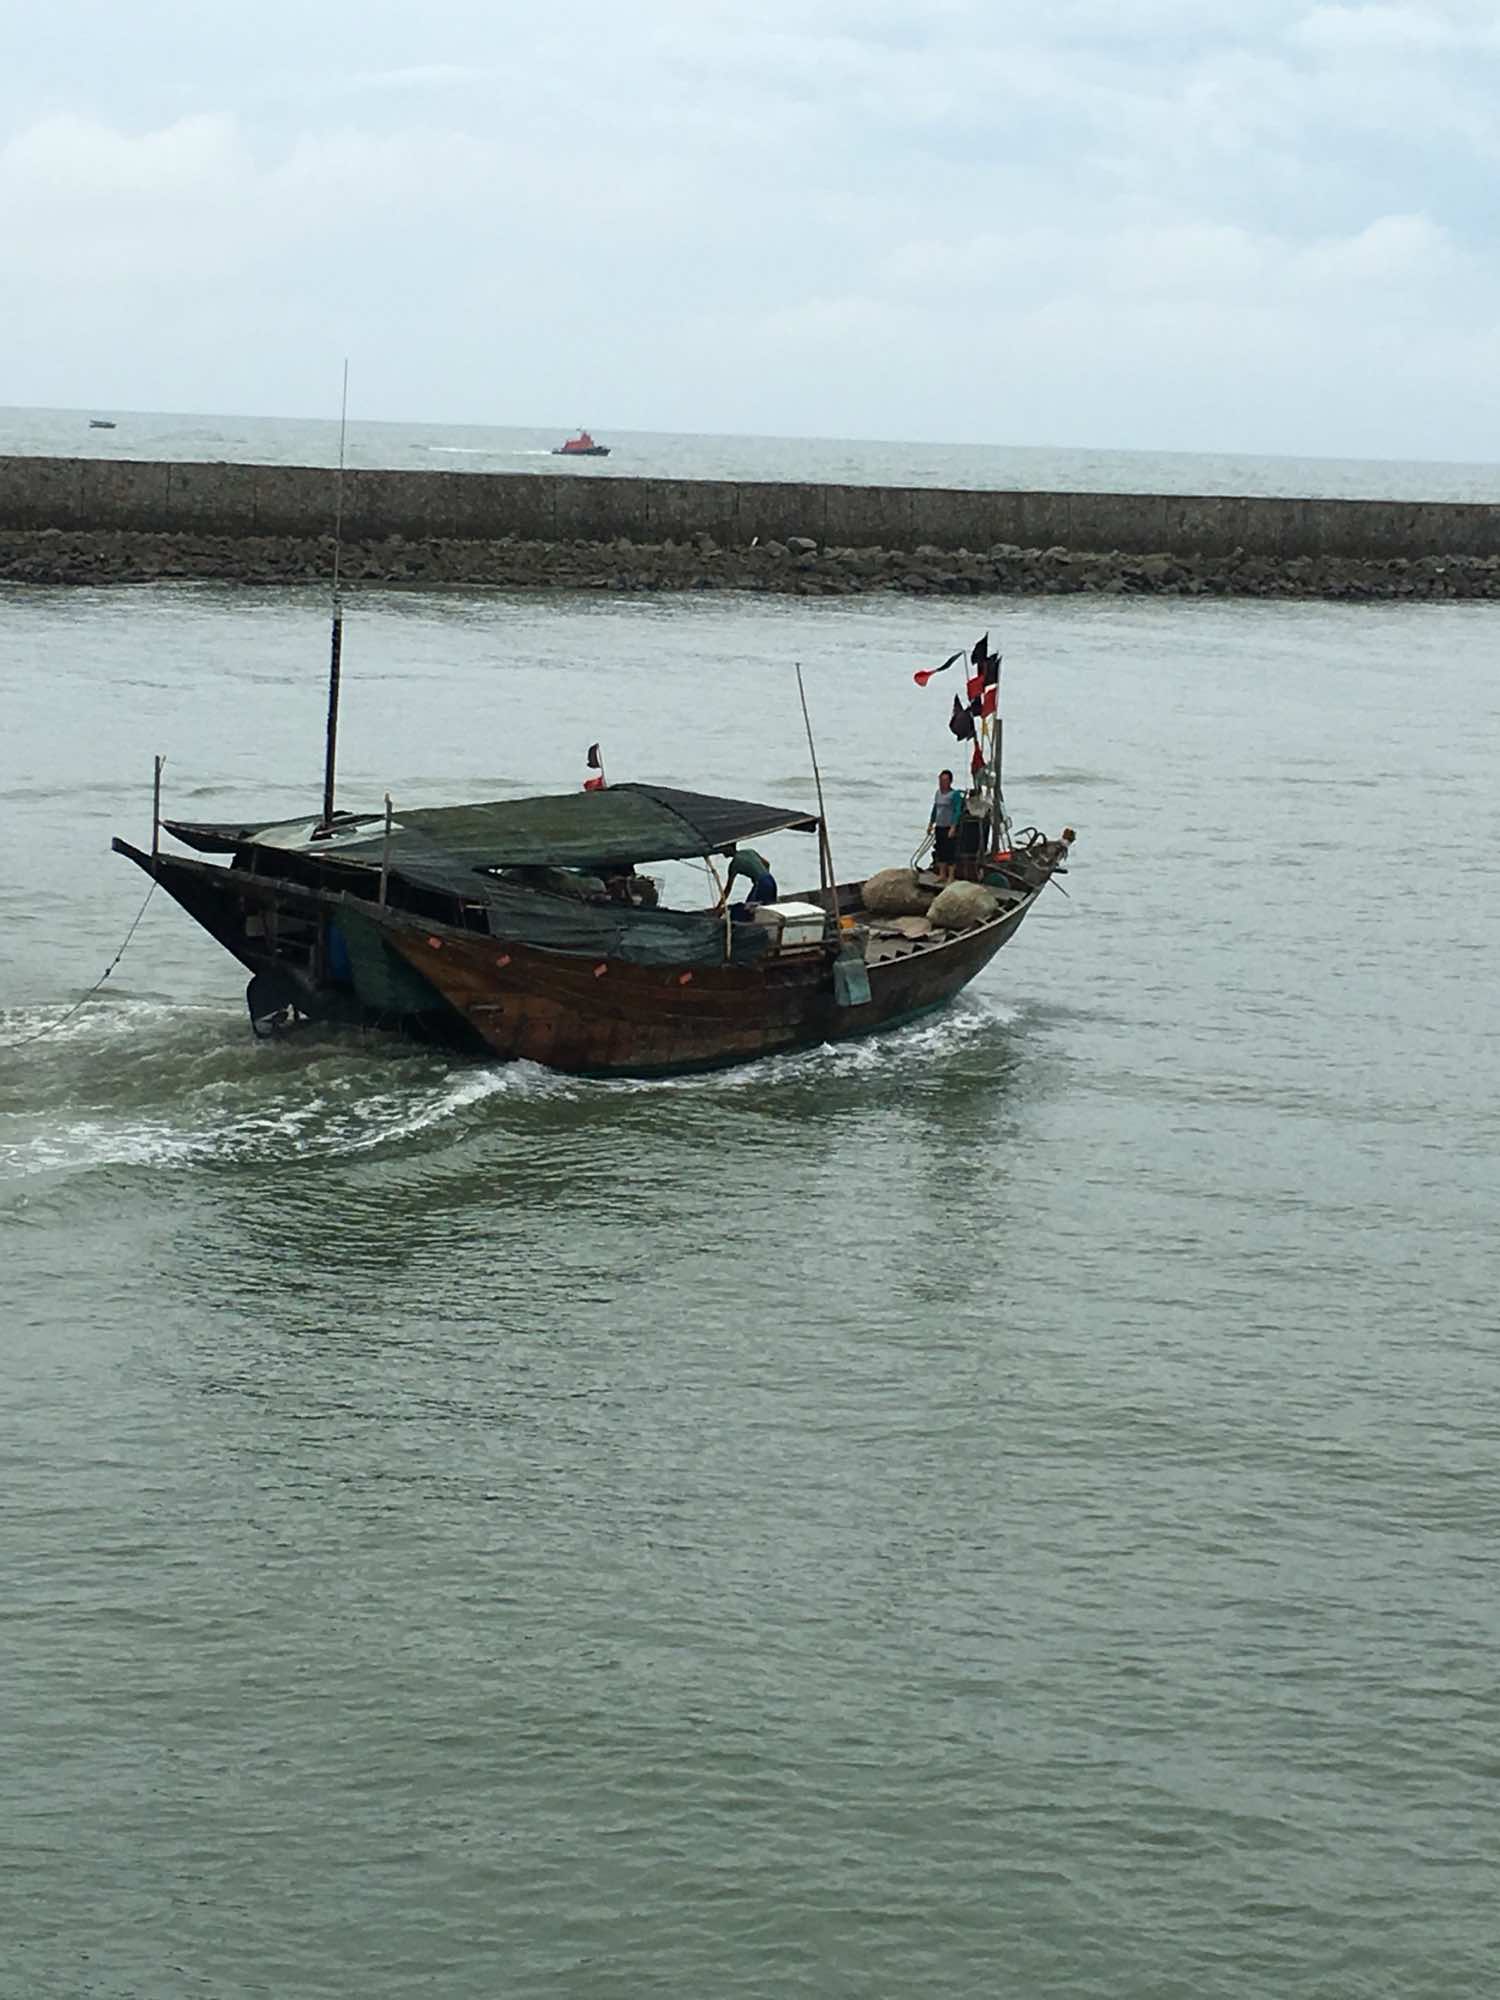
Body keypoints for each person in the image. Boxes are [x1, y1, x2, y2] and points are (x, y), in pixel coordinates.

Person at [718, 844, 777, 919]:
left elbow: (728, 889)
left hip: (761, 884)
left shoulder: (734, 864)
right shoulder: (749, 851)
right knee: (768, 908)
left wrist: (719, 906)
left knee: (748, 911)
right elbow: (767, 864)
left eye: (723, 850)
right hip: (770, 880)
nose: (722, 852)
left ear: (729, 849)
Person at [928, 768, 963, 882]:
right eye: (941, 780)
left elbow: (957, 811)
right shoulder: (938, 793)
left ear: (950, 781)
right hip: (939, 825)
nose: (942, 783)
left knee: (950, 851)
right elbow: (935, 808)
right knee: (940, 850)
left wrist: (953, 827)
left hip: (949, 826)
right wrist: (931, 823)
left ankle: (951, 876)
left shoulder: (954, 794)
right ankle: (942, 875)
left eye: (945, 780)